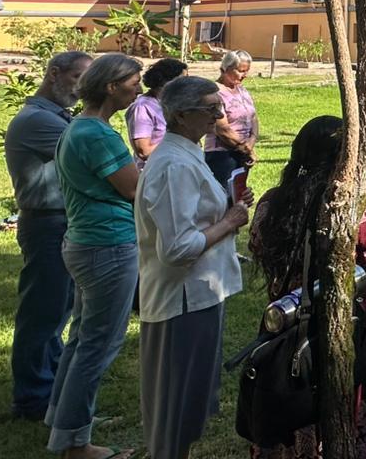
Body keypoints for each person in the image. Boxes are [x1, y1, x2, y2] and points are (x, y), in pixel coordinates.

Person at [250, 116, 366, 459]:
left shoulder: (271, 204)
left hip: (285, 325)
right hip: (343, 326)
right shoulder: (352, 211)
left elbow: (258, 248)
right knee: (339, 398)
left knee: (288, 395)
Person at [136, 76, 252, 459]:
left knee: (188, 403)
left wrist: (229, 202)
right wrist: (230, 222)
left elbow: (193, 215)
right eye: (210, 108)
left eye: (220, 106)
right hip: (182, 300)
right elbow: (177, 247)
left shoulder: (186, 153)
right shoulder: (173, 164)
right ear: (182, 115)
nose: (219, 115)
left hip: (199, 293)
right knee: (175, 404)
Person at [48, 52, 144, 459]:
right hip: (108, 246)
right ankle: (75, 443)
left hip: (86, 242)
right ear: (111, 86)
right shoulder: (98, 135)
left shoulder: (80, 126)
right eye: (134, 83)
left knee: (82, 338)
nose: (139, 90)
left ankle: (62, 419)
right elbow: (133, 188)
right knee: (98, 346)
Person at [4, 50, 93, 421]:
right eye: (78, 79)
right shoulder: (38, 120)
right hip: (47, 224)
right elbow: (93, 153)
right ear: (54, 73)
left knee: (58, 310)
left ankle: (50, 390)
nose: (82, 90)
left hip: (61, 221)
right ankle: (33, 398)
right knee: (43, 312)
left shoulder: (56, 116)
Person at [204, 51, 258, 188]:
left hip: (243, 152)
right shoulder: (214, 92)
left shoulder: (241, 90)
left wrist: (252, 140)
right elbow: (223, 130)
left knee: (239, 194)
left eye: (246, 71)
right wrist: (247, 149)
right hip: (222, 155)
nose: (245, 75)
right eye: (241, 71)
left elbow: (253, 116)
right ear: (226, 69)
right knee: (224, 194)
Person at [125, 58, 187, 168]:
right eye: (182, 81)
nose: (187, 85)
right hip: (156, 172)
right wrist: (182, 141)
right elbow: (144, 151)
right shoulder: (143, 107)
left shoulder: (172, 104)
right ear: (165, 82)